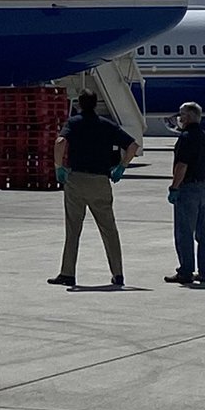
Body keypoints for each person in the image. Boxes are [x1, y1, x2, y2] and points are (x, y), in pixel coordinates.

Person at [48, 89, 139, 288]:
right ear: (96, 104)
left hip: (77, 180)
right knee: (109, 229)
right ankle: (118, 274)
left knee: (73, 229)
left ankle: (68, 273)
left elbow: (60, 142)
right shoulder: (106, 125)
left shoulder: (73, 123)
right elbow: (133, 145)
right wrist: (122, 167)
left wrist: (58, 167)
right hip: (100, 181)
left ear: (79, 104)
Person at [165, 101, 205, 284]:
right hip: (204, 187)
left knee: (185, 233)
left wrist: (174, 187)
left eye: (181, 114)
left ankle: (185, 271)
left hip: (189, 189)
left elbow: (182, 165)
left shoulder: (186, 138)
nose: (179, 118)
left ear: (187, 117)